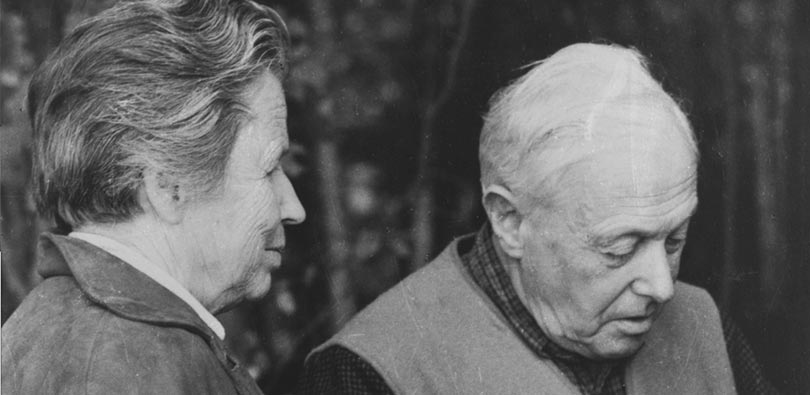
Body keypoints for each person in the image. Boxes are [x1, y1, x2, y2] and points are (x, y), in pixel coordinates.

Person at [299, 43, 777, 394]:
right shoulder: (371, 372)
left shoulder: (704, 328)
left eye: (674, 240)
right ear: (509, 221)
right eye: (621, 248)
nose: (662, 286)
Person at [1, 0, 305, 393]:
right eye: (268, 169)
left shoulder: (67, 333)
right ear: (168, 185)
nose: (294, 208)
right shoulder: (123, 367)